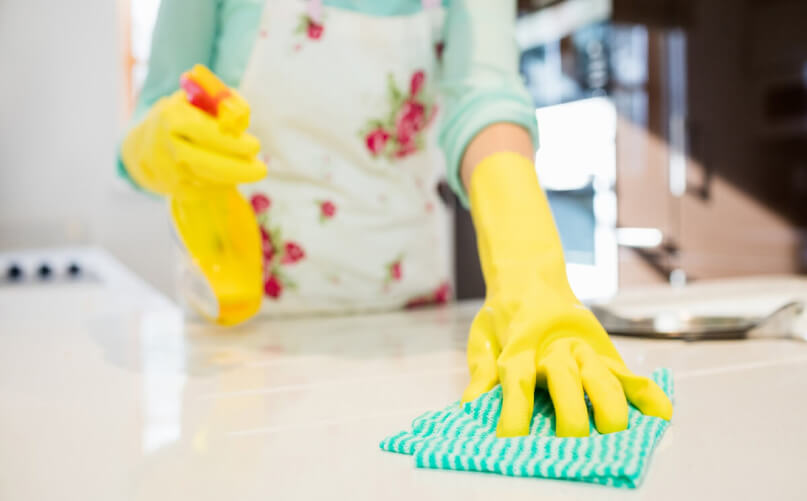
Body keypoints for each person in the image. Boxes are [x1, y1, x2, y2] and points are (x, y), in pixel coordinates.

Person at [121, 0, 672, 438]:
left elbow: (484, 95)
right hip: (238, 344)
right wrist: (155, 145)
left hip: (413, 326)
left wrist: (534, 280)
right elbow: (145, 123)